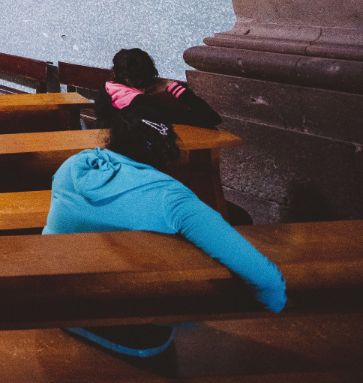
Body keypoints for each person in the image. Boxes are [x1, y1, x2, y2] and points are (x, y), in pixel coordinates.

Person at [44, 99, 286, 358]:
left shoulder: (74, 165)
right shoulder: (171, 197)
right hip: (137, 336)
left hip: (61, 308)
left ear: (112, 136)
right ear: (165, 151)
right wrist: (275, 306)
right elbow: (265, 279)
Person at [92, 47, 222, 130]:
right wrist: (170, 85)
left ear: (114, 72)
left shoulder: (105, 94)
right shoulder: (145, 106)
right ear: (150, 78)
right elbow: (210, 118)